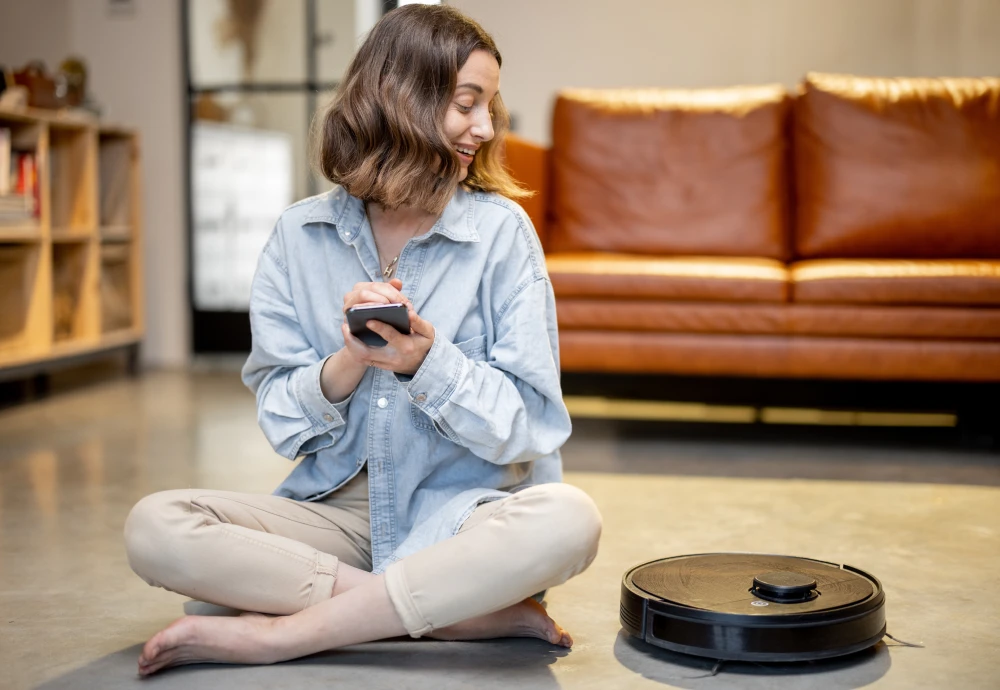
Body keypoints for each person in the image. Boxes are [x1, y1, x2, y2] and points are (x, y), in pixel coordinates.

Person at [123, 4, 602, 676]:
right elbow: (282, 422)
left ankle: (281, 634)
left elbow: (531, 427)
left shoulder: (502, 234)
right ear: (401, 99)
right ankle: (451, 616)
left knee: (569, 518)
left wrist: (427, 363)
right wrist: (349, 362)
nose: (487, 128)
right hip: (338, 518)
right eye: (467, 104)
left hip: (465, 516)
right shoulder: (298, 237)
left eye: (489, 106)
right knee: (156, 526)